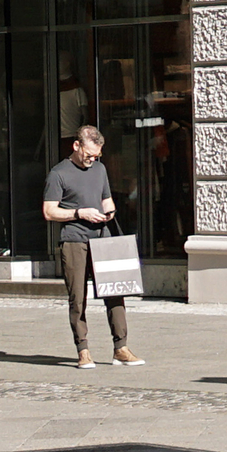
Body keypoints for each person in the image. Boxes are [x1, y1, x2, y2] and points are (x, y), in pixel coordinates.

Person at [43, 124, 142, 368]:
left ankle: (121, 347)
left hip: (103, 238)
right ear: (76, 146)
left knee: (115, 293)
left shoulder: (100, 169)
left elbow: (106, 199)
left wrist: (109, 211)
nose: (92, 159)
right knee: (78, 297)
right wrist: (79, 213)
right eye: (88, 154)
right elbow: (49, 211)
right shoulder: (58, 173)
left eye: (96, 155)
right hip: (74, 240)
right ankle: (83, 350)